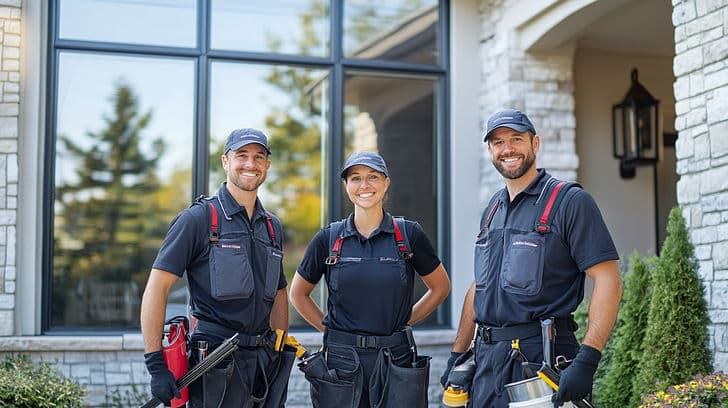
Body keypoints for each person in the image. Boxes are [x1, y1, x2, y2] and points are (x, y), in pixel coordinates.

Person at [440, 109, 622, 408]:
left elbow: (608, 280)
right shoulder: (493, 210)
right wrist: (458, 356)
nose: (507, 149)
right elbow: (481, 285)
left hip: (541, 360)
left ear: (534, 144)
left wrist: (588, 358)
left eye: (516, 139)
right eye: (498, 143)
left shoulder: (570, 202)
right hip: (486, 364)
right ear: (490, 150)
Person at [140, 128, 292, 407]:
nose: (250, 164)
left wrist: (278, 350)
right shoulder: (197, 220)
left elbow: (279, 291)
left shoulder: (272, 227)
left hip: (261, 364)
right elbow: (157, 288)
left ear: (267, 166)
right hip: (215, 363)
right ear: (225, 161)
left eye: (259, 157)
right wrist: (155, 362)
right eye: (242, 155)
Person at [290, 151, 451, 408]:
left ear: (386, 183)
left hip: (395, 359)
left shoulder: (408, 234)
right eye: (355, 178)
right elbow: (298, 294)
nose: (364, 185)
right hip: (342, 363)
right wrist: (330, 330)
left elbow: (440, 287)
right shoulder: (328, 239)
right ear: (346, 186)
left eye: (372, 177)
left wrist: (404, 321)